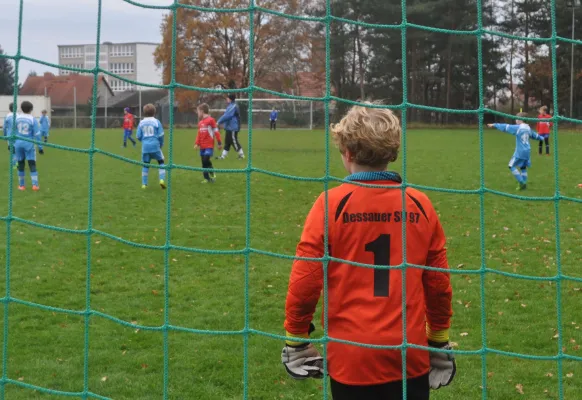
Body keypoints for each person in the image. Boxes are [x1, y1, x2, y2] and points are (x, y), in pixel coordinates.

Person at [281, 104, 455, 400]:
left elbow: (306, 279)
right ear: (391, 153)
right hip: (408, 356)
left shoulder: (330, 204)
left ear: (347, 153)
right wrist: (438, 341)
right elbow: (438, 284)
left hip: (352, 359)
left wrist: (296, 339)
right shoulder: (420, 204)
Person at [487, 112, 543, 191]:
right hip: (527, 150)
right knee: (523, 167)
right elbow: (535, 136)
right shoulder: (528, 128)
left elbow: (506, 127)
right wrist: (541, 138)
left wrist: (494, 125)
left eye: (516, 119)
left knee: (511, 166)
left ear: (520, 120)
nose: (515, 120)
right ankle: (524, 184)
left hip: (520, 151)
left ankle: (521, 182)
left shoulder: (518, 127)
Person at [136, 103, 166, 189]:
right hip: (155, 146)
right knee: (161, 162)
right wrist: (161, 144)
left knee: (145, 165)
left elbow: (138, 136)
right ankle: (162, 180)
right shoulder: (156, 122)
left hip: (145, 147)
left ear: (144, 112)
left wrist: (144, 141)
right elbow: (161, 135)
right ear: (154, 112)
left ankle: (144, 184)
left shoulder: (141, 122)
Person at [14, 101, 41, 191]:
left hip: (18, 144)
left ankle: (22, 186)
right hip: (28, 143)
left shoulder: (17, 118)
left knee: (20, 163)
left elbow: (13, 131)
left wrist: (13, 144)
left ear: (21, 108)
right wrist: (40, 147)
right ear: (31, 109)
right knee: (31, 163)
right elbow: (37, 134)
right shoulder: (32, 119)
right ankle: (35, 185)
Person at [195, 103, 222, 183]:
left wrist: (219, 142)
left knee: (206, 159)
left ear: (202, 111)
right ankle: (206, 178)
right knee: (203, 162)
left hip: (209, 145)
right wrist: (197, 143)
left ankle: (212, 173)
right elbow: (199, 134)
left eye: (198, 111)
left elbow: (216, 132)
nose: (198, 113)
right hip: (202, 146)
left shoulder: (211, 120)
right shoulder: (200, 123)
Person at [216, 94, 244, 160]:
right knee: (227, 142)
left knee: (234, 141)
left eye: (227, 98)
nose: (226, 99)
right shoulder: (230, 106)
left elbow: (227, 116)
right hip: (229, 127)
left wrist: (218, 122)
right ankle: (223, 156)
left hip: (232, 128)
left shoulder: (233, 106)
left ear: (230, 99)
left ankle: (241, 155)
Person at [3, 102, 17, 168]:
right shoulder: (18, 115)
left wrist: (5, 136)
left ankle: (14, 164)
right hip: (18, 136)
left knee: (12, 150)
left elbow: (4, 127)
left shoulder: (7, 116)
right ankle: (17, 162)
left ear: (9, 108)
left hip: (10, 135)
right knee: (17, 150)